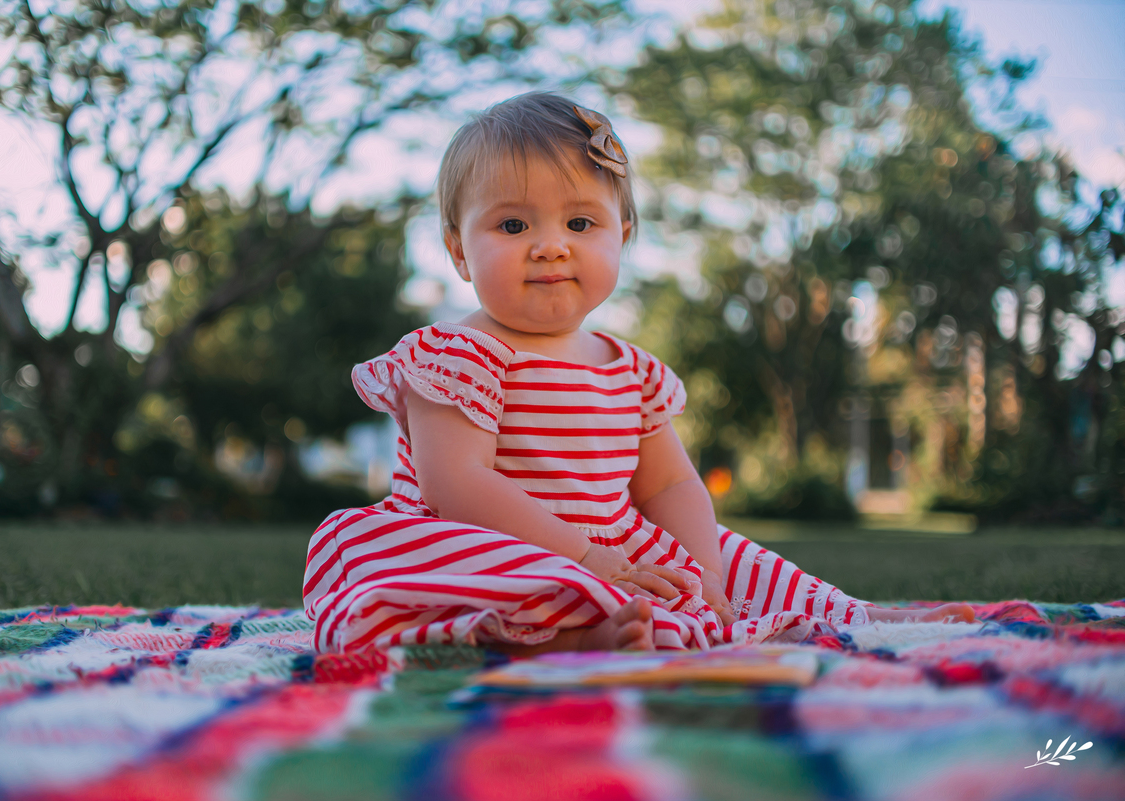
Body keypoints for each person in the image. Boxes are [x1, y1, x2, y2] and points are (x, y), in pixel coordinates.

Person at [303, 92, 974, 653]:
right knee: (474, 569)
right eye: (512, 224)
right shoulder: (456, 356)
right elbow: (459, 488)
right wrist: (585, 558)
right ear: (458, 249)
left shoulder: (633, 372)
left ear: (621, 233)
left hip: (615, 547)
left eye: (580, 220)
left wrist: (703, 569)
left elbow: (673, 482)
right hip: (493, 543)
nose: (550, 244)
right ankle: (564, 636)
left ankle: (854, 619)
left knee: (735, 555)